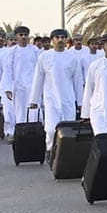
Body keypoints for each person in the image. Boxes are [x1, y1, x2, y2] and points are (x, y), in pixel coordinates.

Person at [28, 29, 85, 158]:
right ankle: (50, 151)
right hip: (51, 99)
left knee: (68, 129)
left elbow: (77, 80)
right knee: (51, 128)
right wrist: (34, 100)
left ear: (66, 40)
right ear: (52, 40)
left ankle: (67, 154)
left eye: (62, 37)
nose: (60, 40)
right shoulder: (44, 57)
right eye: (57, 37)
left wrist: (80, 102)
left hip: (68, 99)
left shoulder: (72, 57)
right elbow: (38, 79)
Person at [2, 26, 39, 142]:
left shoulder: (35, 51)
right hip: (18, 87)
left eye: (25, 35)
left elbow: (39, 70)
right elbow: (7, 70)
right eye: (21, 35)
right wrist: (8, 88)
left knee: (34, 111)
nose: (23, 37)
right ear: (16, 36)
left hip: (33, 86)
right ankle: (18, 134)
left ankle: (33, 134)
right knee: (18, 111)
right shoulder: (11, 51)